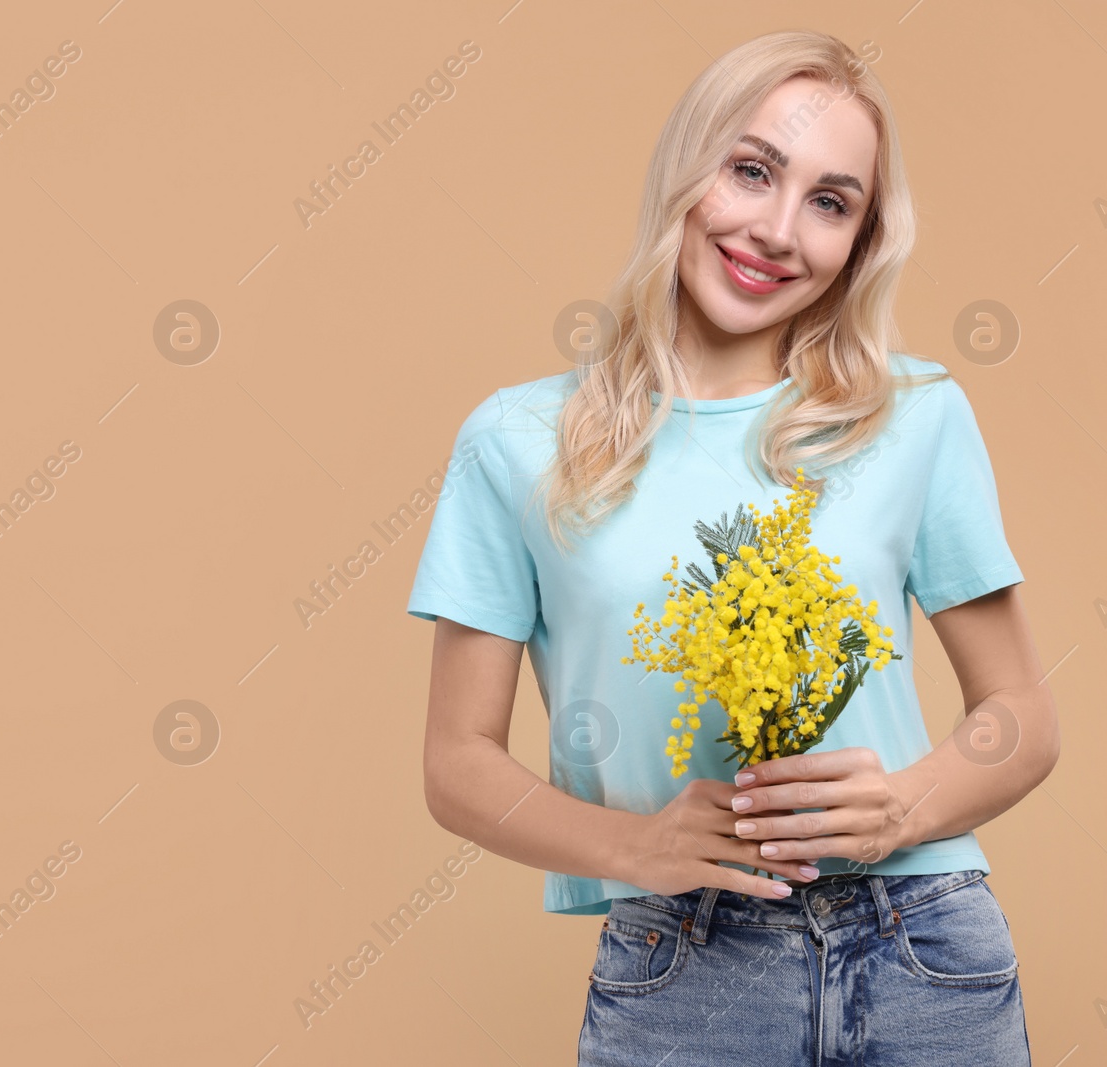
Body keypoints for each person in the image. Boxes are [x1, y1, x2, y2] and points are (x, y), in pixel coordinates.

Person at [405, 29, 1055, 1066]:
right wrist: (635, 846)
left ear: (860, 240)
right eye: (750, 171)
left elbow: (1020, 716)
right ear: (688, 169)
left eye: (830, 201)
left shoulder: (916, 415)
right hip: (683, 963)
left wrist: (900, 807)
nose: (777, 229)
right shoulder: (517, 442)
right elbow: (457, 764)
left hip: (922, 947)